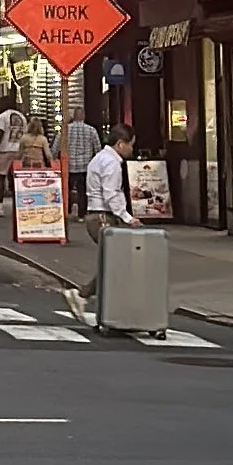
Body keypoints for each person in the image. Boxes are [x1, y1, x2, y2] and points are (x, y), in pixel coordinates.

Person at [65, 124, 138, 325]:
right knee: (116, 260)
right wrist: (127, 217)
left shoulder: (100, 158)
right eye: (130, 145)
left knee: (114, 261)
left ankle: (100, 301)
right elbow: (111, 193)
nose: (132, 149)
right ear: (120, 144)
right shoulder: (111, 163)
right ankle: (84, 295)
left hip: (96, 215)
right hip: (102, 217)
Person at [65, 107, 101, 221]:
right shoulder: (91, 130)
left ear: (74, 116)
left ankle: (68, 210)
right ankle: (82, 214)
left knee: (67, 189)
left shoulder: (66, 130)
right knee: (83, 191)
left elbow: (57, 145)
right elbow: (98, 148)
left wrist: (52, 159)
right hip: (85, 165)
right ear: (83, 116)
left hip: (69, 165)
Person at [0, 95, 28, 202]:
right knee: (15, 178)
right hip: (19, 151)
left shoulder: (2, 117)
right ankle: (18, 202)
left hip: (5, 150)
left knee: (1, 177)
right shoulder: (22, 117)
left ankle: (0, 204)